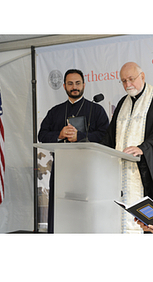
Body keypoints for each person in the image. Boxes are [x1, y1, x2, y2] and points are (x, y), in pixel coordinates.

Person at [101, 62, 153, 234]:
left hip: (147, 174)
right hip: (122, 176)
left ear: (142, 76)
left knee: (147, 227)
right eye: (123, 81)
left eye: (131, 79)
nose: (128, 84)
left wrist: (143, 148)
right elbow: (110, 137)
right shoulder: (122, 103)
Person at [38, 68, 109, 233]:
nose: (74, 87)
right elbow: (42, 135)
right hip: (62, 169)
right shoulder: (55, 111)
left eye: (77, 83)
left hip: (89, 169)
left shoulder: (96, 110)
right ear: (64, 86)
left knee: (85, 212)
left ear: (84, 85)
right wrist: (59, 134)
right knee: (60, 209)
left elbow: (106, 136)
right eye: (70, 83)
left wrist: (81, 136)